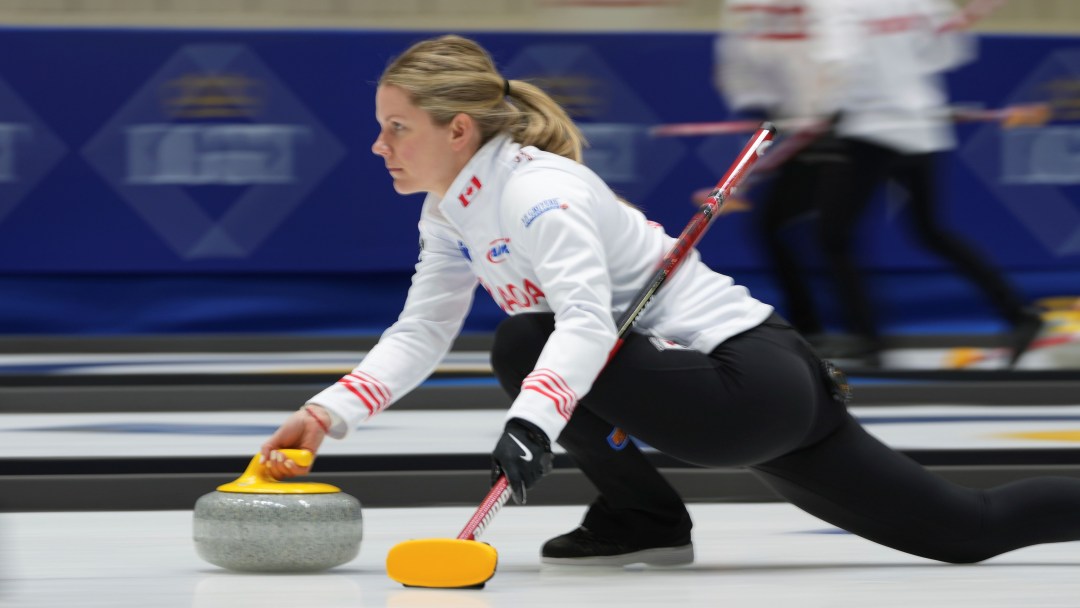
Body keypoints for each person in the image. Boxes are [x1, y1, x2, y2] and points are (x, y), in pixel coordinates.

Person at [260, 34, 1080, 569]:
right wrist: (328, 414)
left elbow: (581, 322)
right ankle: (647, 520)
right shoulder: (451, 212)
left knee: (526, 340)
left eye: (396, 127)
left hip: (748, 384)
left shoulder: (541, 194)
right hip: (740, 395)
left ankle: (638, 511)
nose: (378, 145)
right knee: (969, 533)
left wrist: (530, 426)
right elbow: (422, 329)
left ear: (460, 129)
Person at [791, 0, 1041, 366]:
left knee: (834, 237)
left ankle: (868, 340)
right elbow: (947, 53)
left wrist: (818, 110)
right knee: (930, 230)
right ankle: (1020, 314)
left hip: (869, 130)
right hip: (921, 126)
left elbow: (839, 61)